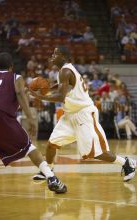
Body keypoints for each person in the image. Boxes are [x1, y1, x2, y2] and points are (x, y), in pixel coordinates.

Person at [31, 45, 136, 182]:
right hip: (70, 115)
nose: (52, 56)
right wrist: (47, 88)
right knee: (52, 144)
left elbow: (61, 97)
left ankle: (126, 163)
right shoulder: (64, 71)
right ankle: (48, 170)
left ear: (63, 57)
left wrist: (39, 96)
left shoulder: (65, 72)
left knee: (95, 153)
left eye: (55, 54)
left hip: (83, 114)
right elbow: (65, 87)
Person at [0, 52, 67, 194]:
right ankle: (51, 178)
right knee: (29, 147)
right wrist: (30, 118)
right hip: (2, 116)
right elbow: (19, 94)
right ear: (12, 66)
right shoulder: (16, 77)